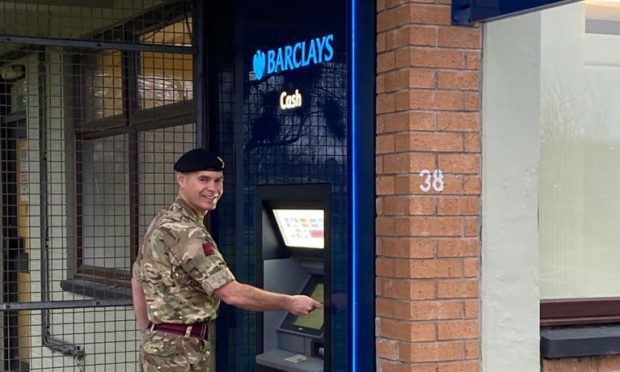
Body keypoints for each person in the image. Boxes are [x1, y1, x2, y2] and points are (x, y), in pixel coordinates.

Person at [132, 148, 321, 371]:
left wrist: (150, 328)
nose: (212, 188)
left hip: (162, 348)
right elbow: (232, 293)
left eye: (218, 180)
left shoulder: (163, 220)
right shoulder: (187, 232)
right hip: (182, 353)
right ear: (181, 180)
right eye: (203, 179)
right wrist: (289, 303)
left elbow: (136, 279)